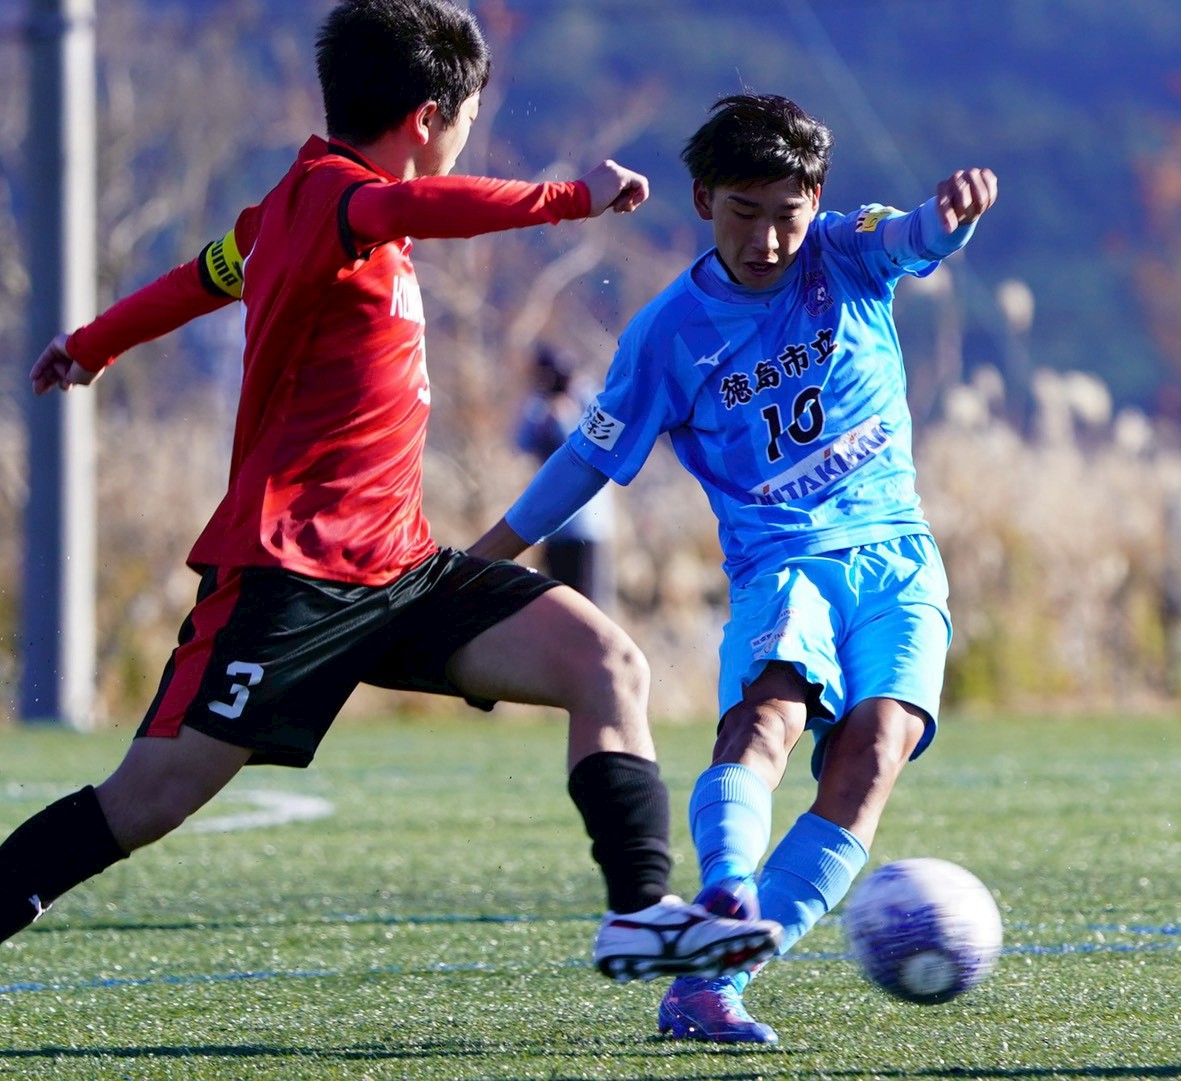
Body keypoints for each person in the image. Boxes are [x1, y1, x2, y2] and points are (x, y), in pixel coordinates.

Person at [2, 0, 781, 986]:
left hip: (399, 570)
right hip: (291, 576)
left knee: (606, 661)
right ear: (426, 118)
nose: (466, 139)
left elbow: (201, 277)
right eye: (467, 119)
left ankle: (639, 912)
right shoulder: (339, 198)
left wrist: (91, 343)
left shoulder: (275, 220)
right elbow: (399, 210)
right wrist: (568, 198)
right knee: (146, 799)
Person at [471, 92, 997, 1042]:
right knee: (767, 720)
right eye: (742, 213)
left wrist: (949, 218)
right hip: (781, 564)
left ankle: (714, 983)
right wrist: (480, 560)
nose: (766, 239)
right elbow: (587, 459)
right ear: (703, 201)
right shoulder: (668, 332)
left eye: (786, 213)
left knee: (875, 753)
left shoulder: (845, 251)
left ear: (816, 200)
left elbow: (912, 237)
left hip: (898, 562)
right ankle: (723, 892)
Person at [515, 347, 616, 610]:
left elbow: (584, 450)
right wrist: (538, 408)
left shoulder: (587, 398)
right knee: (559, 603)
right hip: (553, 526)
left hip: (586, 524)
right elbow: (521, 442)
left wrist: (565, 417)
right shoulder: (540, 407)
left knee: (590, 605)